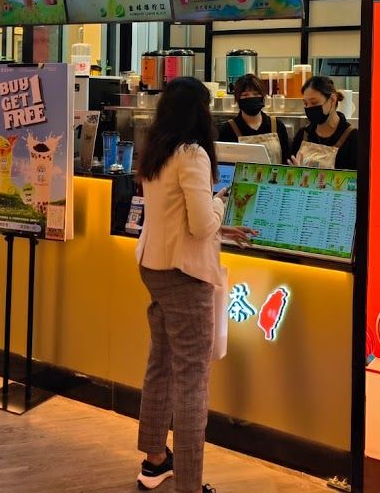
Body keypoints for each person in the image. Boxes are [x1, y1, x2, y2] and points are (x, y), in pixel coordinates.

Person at [134, 77, 253, 493]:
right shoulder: (193, 154)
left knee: (161, 363)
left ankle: (154, 461)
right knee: (191, 377)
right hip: (185, 275)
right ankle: (189, 483)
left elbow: (176, 217)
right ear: (201, 113)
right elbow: (201, 223)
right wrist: (221, 201)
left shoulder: (156, 151)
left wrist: (224, 228)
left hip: (155, 266)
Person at [289, 75, 360, 170]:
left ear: (332, 100)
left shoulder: (352, 138)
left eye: (314, 103)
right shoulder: (302, 135)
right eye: (306, 104)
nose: (309, 108)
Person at [217, 73, 291, 164]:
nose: (251, 98)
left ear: (263, 97)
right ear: (237, 99)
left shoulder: (277, 126)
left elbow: (286, 162)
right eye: (245, 95)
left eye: (256, 94)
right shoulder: (227, 129)